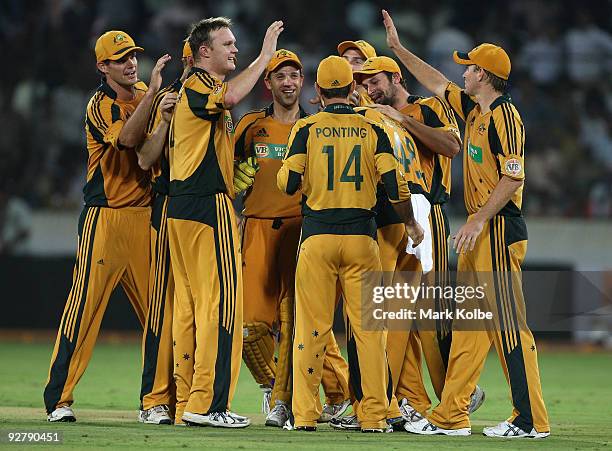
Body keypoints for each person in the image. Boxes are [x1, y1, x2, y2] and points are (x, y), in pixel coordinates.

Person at [381, 9, 550, 438]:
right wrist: (400, 51)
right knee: (470, 327)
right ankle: (452, 415)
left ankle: (530, 421)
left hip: (497, 228)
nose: (463, 74)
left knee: (509, 325)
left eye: (469, 68)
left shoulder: (505, 117)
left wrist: (477, 218)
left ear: (484, 76)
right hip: (480, 231)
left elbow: (513, 176)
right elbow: (436, 81)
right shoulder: (475, 111)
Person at [278, 55, 424, 432]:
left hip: (318, 238)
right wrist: (409, 222)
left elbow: (289, 184)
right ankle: (374, 415)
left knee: (311, 329)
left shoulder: (307, 129)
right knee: (370, 333)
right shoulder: (372, 129)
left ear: (320, 91)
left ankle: (306, 415)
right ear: (352, 89)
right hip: (362, 239)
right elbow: (395, 187)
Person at [44, 30, 171, 422]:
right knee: (83, 310)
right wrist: (152, 97)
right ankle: (59, 401)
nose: (131, 62)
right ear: (103, 66)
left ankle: (155, 402)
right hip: (106, 217)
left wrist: (162, 112)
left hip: (144, 217)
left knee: (161, 315)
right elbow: (129, 141)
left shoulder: (142, 100)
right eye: (121, 58)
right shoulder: (100, 104)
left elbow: (151, 157)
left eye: (132, 55)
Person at [167, 17, 283, 428]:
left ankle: (186, 402)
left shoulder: (192, 90)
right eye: (228, 44)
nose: (235, 49)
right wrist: (265, 55)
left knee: (189, 309)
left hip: (183, 207)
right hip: (204, 208)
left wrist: (229, 177)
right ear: (204, 53)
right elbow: (232, 98)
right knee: (223, 306)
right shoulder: (201, 85)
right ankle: (209, 405)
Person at [355, 55, 484, 420]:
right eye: (364, 84)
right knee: (392, 316)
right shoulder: (370, 112)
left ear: (395, 77)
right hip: (388, 217)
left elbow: (451, 146)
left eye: (375, 80)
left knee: (432, 315)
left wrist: (403, 120)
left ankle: (456, 397)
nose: (370, 88)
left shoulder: (427, 107)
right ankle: (404, 401)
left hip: (428, 213)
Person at [233, 49, 350, 428]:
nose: (288, 82)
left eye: (294, 76)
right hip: (258, 229)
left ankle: (332, 396)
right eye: (280, 76)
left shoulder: (319, 127)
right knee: (250, 326)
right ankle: (275, 388)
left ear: (304, 83)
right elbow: (226, 169)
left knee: (305, 323)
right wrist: (232, 210)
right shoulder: (251, 125)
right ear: (268, 84)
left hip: (306, 231)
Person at [135, 40, 194, 425]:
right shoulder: (169, 99)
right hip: (169, 203)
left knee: (199, 310)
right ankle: (155, 399)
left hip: (207, 208)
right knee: (164, 307)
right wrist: (165, 120)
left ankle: (190, 401)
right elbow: (144, 157)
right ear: (192, 59)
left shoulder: (222, 101)